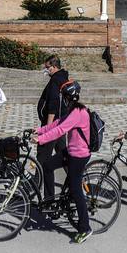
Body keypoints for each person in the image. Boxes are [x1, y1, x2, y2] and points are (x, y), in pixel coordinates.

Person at [33, 79, 93, 244]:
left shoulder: (79, 112)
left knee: (76, 191)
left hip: (79, 156)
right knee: (47, 165)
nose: (63, 100)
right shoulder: (73, 109)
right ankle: (51, 202)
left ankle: (85, 228)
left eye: (64, 97)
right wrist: (39, 130)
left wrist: (41, 139)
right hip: (71, 151)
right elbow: (58, 123)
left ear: (68, 97)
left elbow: (60, 130)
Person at [35, 54, 69, 201]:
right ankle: (77, 180)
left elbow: (53, 106)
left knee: (42, 158)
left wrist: (47, 129)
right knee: (64, 156)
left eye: (47, 67)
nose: (46, 70)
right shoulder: (63, 77)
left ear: (54, 67)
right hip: (60, 125)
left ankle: (36, 189)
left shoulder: (55, 81)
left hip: (53, 125)